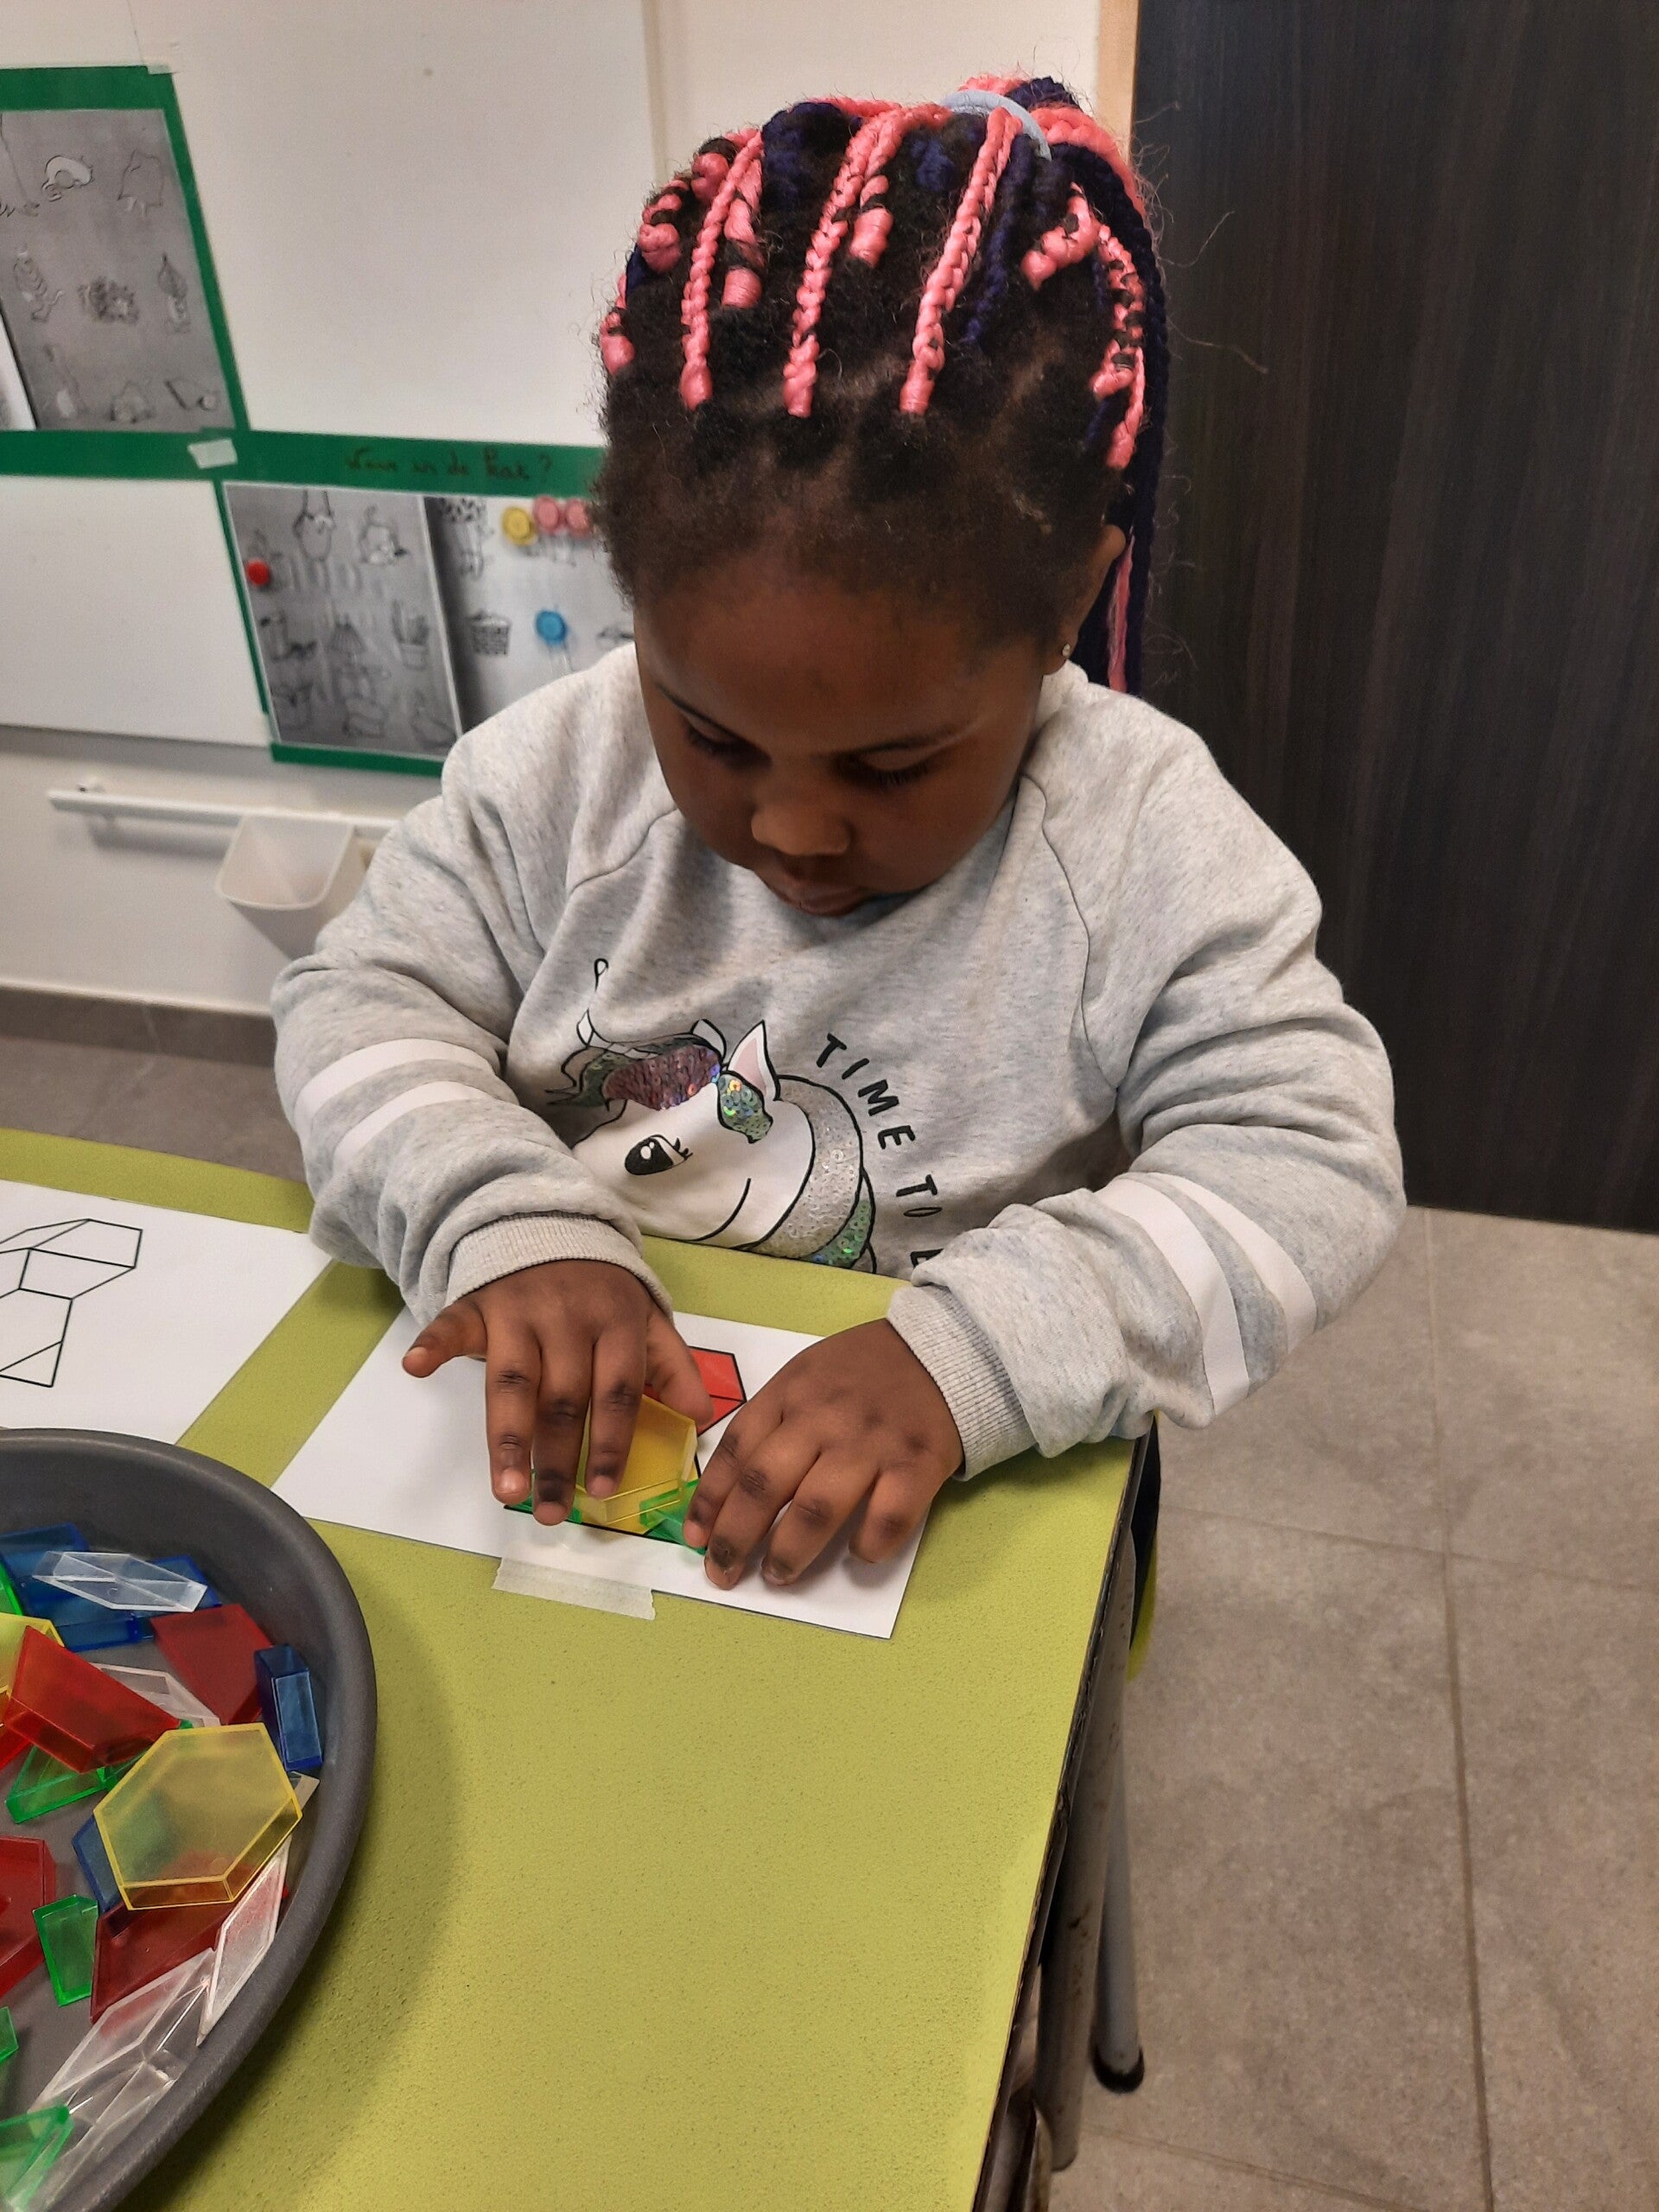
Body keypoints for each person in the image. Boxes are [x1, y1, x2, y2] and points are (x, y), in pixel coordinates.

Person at [273, 78, 1404, 1596]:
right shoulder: (558, 777)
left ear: (1067, 609)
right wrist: (507, 1215)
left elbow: (1312, 1157)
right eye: (713, 735)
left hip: (942, 1530)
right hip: (569, 1500)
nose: (795, 829)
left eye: (893, 762)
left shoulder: (1139, 838)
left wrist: (975, 1353)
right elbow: (356, 1002)